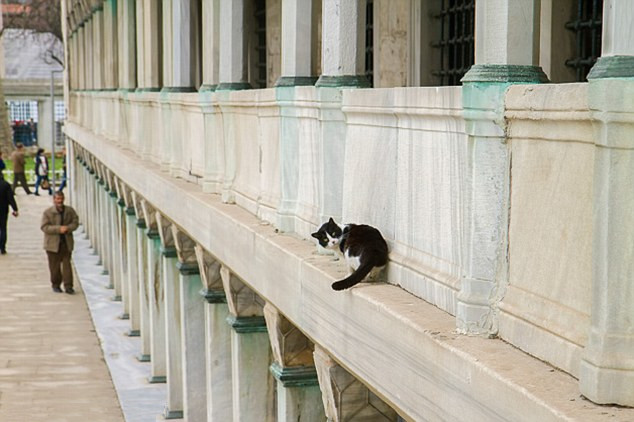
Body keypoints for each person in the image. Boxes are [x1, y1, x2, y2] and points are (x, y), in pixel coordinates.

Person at [41, 191, 79, 294]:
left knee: (67, 265)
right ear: (54, 200)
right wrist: (58, 229)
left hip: (66, 243)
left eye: (61, 198)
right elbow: (44, 227)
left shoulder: (70, 211)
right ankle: (56, 284)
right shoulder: (48, 213)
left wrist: (68, 228)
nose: (60, 201)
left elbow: (75, 222)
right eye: (57, 199)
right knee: (54, 267)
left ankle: (68, 286)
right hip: (52, 244)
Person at [0, 173, 19, 255]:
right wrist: (15, 209)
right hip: (3, 210)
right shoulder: (6, 184)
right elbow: (10, 198)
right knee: (3, 228)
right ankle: (3, 248)